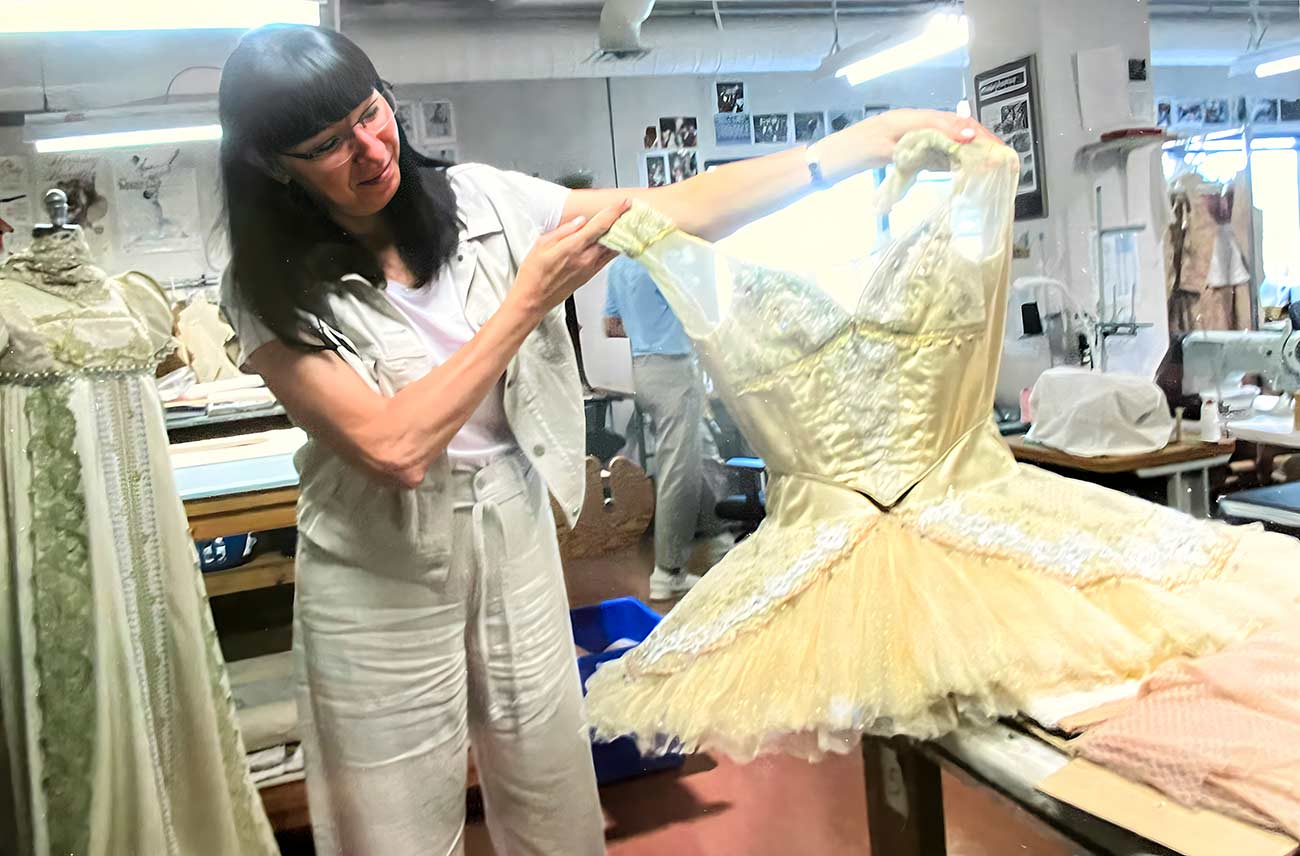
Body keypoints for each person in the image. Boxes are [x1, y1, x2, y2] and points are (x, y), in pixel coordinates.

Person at [216, 22, 989, 856]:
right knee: (391, 825)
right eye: (329, 144)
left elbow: (677, 209)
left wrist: (854, 147)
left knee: (554, 797)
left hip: (510, 525)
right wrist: (525, 301)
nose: (370, 149)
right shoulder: (265, 286)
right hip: (379, 557)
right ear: (273, 165)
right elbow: (393, 449)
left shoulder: (483, 201)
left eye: (373, 114)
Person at [604, 256, 705, 600]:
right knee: (680, 469)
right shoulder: (663, 259)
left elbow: (610, 326)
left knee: (684, 460)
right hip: (674, 367)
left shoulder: (617, 267)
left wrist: (644, 327)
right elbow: (697, 311)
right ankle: (669, 571)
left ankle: (708, 537)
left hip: (642, 370)